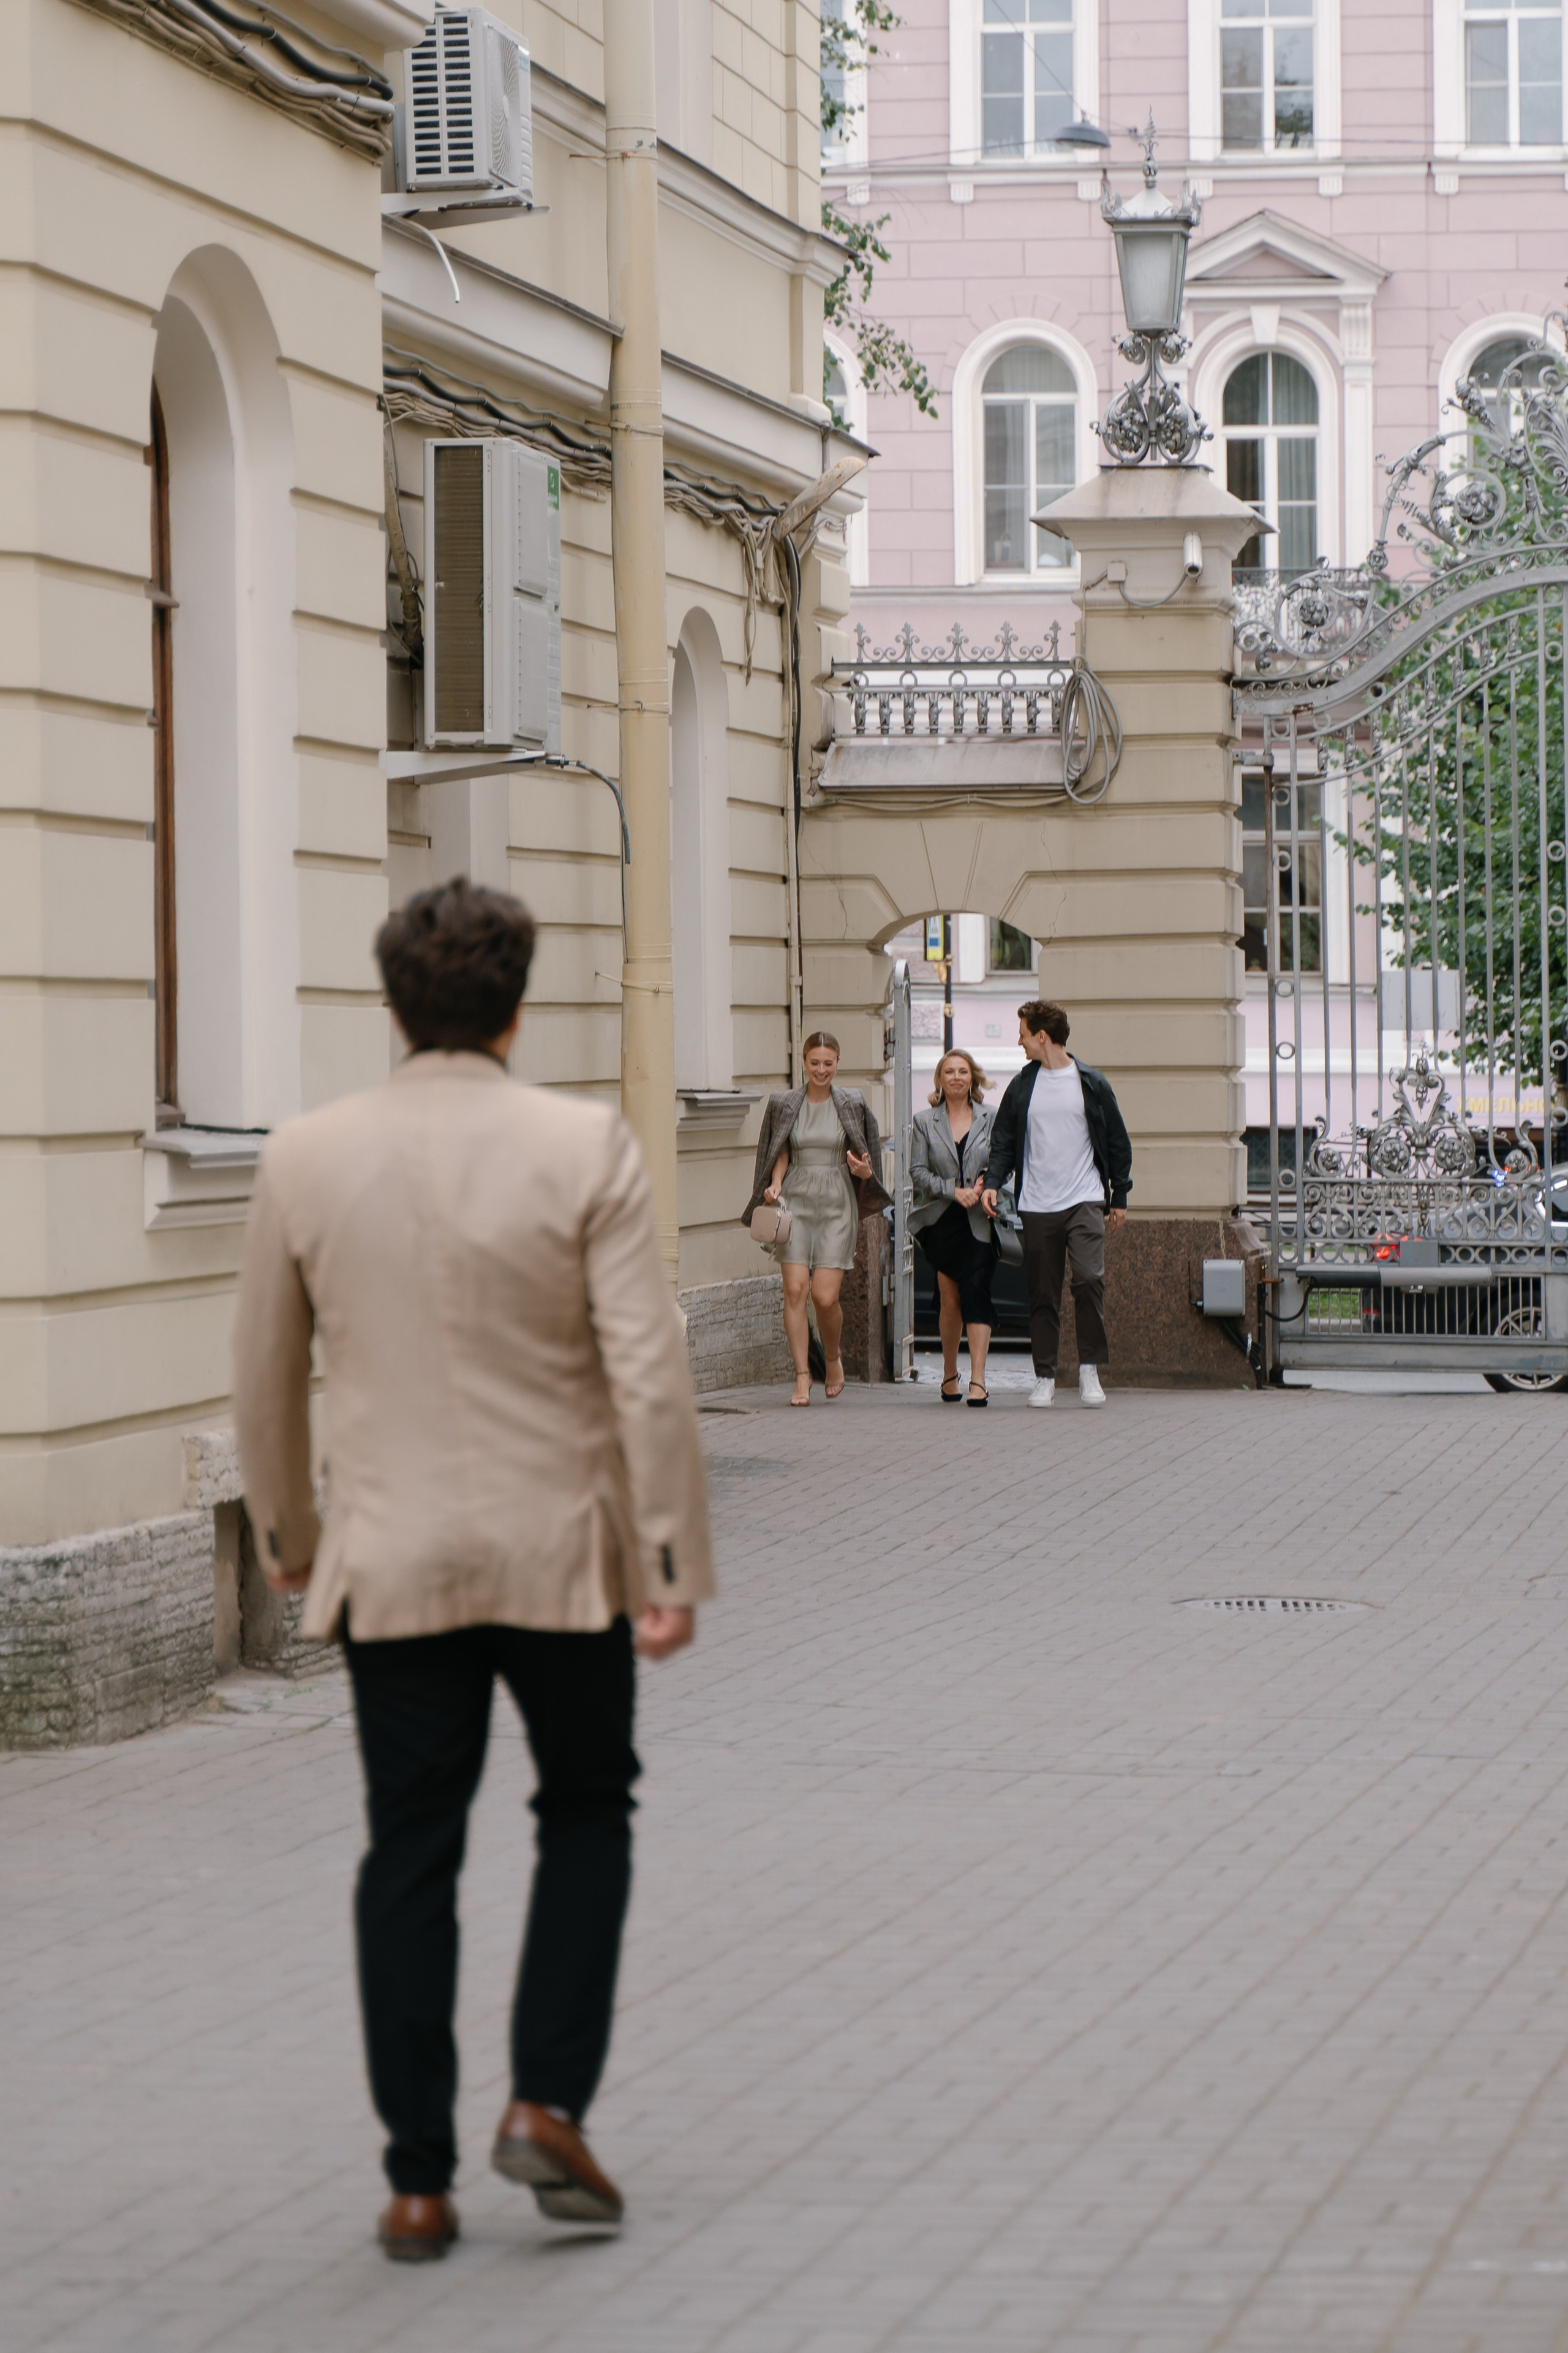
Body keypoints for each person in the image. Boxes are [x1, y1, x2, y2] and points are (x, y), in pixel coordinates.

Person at [232, 878, 714, 2264]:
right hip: (563, 1550)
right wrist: (669, 1557)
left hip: (389, 1554)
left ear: (393, 1005)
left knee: (410, 1846)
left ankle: (416, 2180)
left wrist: (290, 1540)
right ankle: (547, 2101)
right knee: (583, 1809)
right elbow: (647, 1369)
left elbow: (262, 1375)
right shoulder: (585, 1145)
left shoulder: (304, 1155)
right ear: (516, 1003)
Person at [981, 998, 1132, 1410]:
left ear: (1042, 1036)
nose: (1020, 1042)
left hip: (1084, 1198)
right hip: (1037, 1203)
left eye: (1024, 1034)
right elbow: (1004, 1142)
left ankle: (1089, 1369)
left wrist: (1119, 1195)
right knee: (1042, 1292)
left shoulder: (1091, 1083)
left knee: (1088, 1279)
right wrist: (994, 1182)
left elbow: (1118, 1142)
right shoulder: (1023, 1086)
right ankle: (1045, 1375)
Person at [742, 1030, 890, 1406]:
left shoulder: (853, 1102)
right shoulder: (784, 1103)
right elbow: (780, 1150)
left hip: (838, 1200)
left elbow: (867, 1158)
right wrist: (774, 1185)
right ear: (804, 1063)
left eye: (828, 1063)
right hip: (796, 1200)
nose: (821, 1070)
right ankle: (803, 1376)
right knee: (795, 1291)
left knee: (825, 1297)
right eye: (814, 1063)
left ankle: (833, 1357)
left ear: (838, 1063)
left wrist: (863, 1171)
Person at [911, 1049, 996, 1406]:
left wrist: (986, 1184)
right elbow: (917, 1171)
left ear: (972, 1078)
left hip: (981, 1219)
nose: (957, 1077)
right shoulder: (924, 1121)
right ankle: (950, 1374)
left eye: (963, 1071)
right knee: (950, 1300)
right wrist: (952, 1191)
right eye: (950, 1072)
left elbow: (1006, 1160)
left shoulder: (991, 1118)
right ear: (940, 1080)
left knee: (976, 1290)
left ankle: (978, 1380)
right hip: (942, 1220)